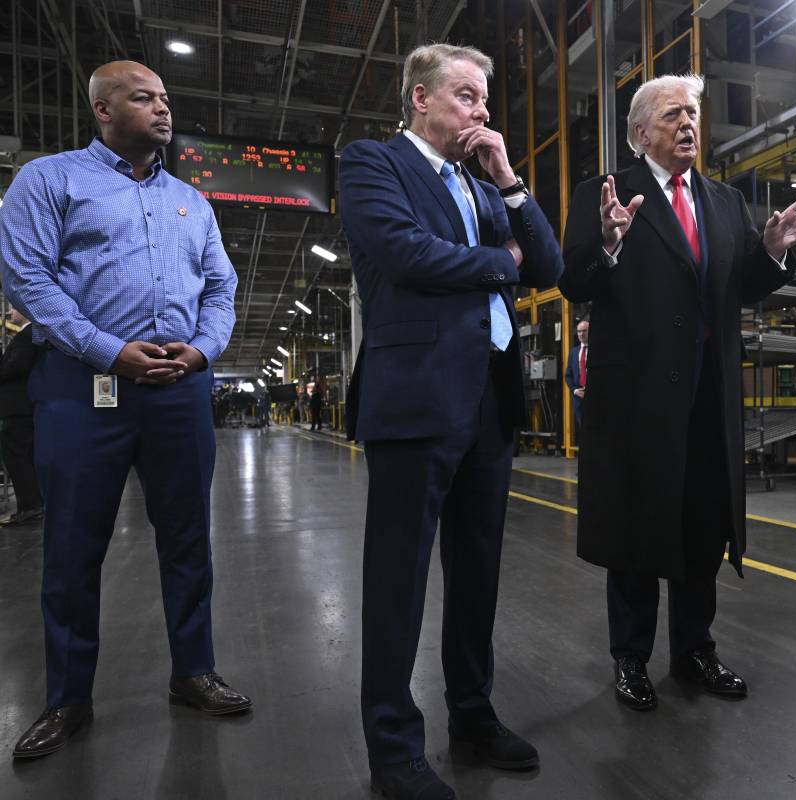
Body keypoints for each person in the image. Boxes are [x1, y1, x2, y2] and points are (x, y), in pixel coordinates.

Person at [0, 60, 249, 761]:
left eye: (166, 98)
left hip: (180, 392)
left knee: (187, 538)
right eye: (145, 98)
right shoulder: (49, 181)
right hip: (86, 391)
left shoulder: (191, 203)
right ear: (103, 110)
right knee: (74, 546)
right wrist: (111, 350)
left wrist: (201, 352)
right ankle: (66, 697)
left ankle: (193, 670)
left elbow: (222, 289)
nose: (164, 109)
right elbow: (27, 280)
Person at [339, 43, 564, 800]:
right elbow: (404, 254)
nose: (481, 112)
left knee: (477, 574)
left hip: (490, 402)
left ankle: (472, 714)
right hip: (415, 400)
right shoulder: (373, 164)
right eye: (466, 96)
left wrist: (508, 178)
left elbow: (550, 267)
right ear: (420, 99)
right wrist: (500, 262)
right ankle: (393, 745)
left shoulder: (481, 184)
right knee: (397, 579)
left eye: (485, 100)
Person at [560, 73, 796, 713]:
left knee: (702, 526)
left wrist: (768, 251)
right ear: (640, 131)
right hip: (637, 401)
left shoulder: (725, 202)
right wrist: (608, 244)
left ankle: (694, 650)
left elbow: (736, 288)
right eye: (674, 114)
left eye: (694, 114)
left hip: (709, 397)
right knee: (637, 529)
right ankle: (630, 658)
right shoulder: (606, 193)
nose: (688, 124)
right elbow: (573, 280)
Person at [0, 308, 44, 526]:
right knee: (25, 457)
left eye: (13, 308)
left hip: (18, 408)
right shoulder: (31, 334)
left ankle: (30, 506)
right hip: (25, 407)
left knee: (17, 457)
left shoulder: (28, 335)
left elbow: (16, 366)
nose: (9, 312)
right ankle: (34, 504)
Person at [563, 317, 589, 429]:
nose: (581, 334)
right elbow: (568, 375)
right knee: (582, 427)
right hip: (578, 397)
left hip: (594, 395)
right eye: (579, 331)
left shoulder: (597, 349)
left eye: (584, 331)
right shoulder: (573, 352)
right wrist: (574, 390)